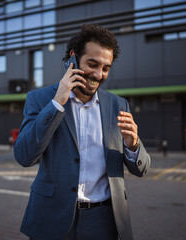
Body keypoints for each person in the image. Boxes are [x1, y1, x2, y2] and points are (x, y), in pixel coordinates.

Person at [13, 24, 150, 240]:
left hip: (103, 221)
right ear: (73, 58)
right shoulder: (39, 99)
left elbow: (141, 169)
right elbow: (24, 156)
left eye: (106, 68)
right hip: (51, 217)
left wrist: (133, 145)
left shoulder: (118, 105)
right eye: (92, 64)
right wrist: (57, 102)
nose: (98, 74)